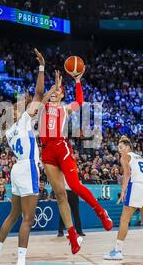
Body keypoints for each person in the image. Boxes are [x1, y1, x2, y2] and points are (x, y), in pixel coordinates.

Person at [0, 49, 53, 265]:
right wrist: (42, 67)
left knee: (13, 215)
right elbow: (38, 93)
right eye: (16, 108)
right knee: (28, 218)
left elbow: (40, 100)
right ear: (15, 114)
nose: (20, 108)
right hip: (28, 168)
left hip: (16, 169)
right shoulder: (23, 121)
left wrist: (50, 93)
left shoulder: (9, 132)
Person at [39, 67, 113, 254]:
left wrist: (78, 81)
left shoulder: (65, 109)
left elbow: (80, 101)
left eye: (58, 91)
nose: (55, 93)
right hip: (47, 151)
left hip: (61, 147)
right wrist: (53, 87)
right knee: (60, 195)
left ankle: (101, 212)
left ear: (62, 94)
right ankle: (72, 237)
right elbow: (40, 98)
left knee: (74, 184)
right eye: (53, 91)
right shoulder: (44, 107)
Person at [103, 136, 143, 260]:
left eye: (121, 147)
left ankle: (118, 251)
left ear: (128, 147)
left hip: (137, 187)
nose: (119, 150)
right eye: (118, 148)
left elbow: (127, 174)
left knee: (124, 219)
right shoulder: (139, 157)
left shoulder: (125, 156)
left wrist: (123, 191)